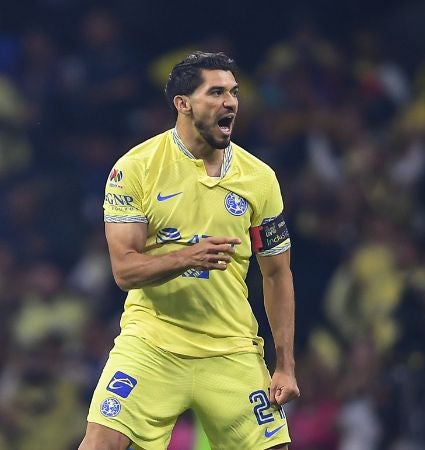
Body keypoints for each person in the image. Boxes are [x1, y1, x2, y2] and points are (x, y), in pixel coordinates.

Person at [79, 51, 300, 450]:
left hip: (231, 349)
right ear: (183, 103)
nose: (229, 102)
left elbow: (276, 273)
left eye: (233, 92)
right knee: (98, 445)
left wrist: (285, 365)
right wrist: (186, 257)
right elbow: (124, 271)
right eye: (215, 92)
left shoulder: (260, 178)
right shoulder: (135, 169)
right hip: (153, 344)